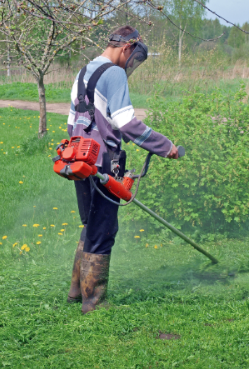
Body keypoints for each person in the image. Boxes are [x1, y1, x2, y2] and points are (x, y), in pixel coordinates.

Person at [66, 25, 178, 314]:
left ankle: (76, 292)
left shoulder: (83, 72)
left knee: (90, 224)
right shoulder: (113, 73)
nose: (131, 66)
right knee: (103, 229)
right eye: (134, 58)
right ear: (127, 48)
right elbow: (126, 123)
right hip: (103, 161)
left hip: (77, 158)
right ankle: (94, 304)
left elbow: (72, 121)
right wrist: (164, 146)